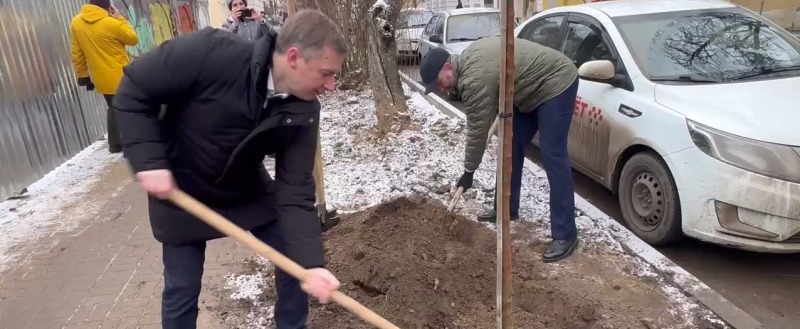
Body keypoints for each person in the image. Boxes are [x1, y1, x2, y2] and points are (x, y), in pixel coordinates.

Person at [112, 9, 347, 329]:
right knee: (182, 287)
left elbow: (295, 188)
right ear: (293, 57)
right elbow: (134, 89)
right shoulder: (210, 53)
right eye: (326, 73)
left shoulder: (303, 109)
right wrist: (149, 161)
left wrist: (311, 263)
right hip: (183, 186)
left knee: (295, 260)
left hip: (243, 186)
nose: (331, 85)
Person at [419, 38, 580, 262]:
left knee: (553, 154)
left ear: (447, 67)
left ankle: (566, 234)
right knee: (511, 145)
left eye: (439, 83)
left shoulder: (473, 79)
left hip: (555, 82)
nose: (441, 89)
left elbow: (477, 130)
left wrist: (468, 172)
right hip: (528, 90)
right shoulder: (467, 61)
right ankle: (505, 209)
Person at [70, 0, 138, 153]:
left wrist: (83, 75)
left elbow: (77, 52)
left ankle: (116, 143)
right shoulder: (111, 23)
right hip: (120, 75)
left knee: (114, 108)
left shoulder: (76, 23)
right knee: (127, 108)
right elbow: (133, 39)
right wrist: (119, 17)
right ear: (108, 7)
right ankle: (123, 143)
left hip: (101, 78)